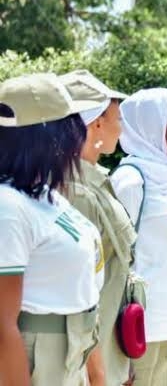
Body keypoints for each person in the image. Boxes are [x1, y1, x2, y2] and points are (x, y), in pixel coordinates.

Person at [0, 73, 103, 385]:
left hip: (73, 352)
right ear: (47, 137)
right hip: (36, 360)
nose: (79, 135)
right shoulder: (8, 206)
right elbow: (2, 325)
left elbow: (83, 294)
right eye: (70, 126)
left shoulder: (45, 196)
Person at [110, 89, 167, 386]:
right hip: (137, 319)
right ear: (153, 130)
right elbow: (117, 258)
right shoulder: (130, 181)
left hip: (164, 315)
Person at [60, 70, 136, 386]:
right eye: (117, 118)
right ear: (97, 125)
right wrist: (97, 374)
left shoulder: (96, 178)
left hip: (109, 342)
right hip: (90, 357)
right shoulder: (75, 191)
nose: (122, 127)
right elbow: (81, 291)